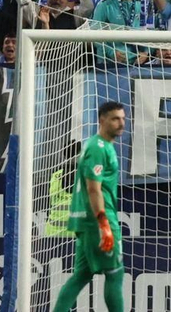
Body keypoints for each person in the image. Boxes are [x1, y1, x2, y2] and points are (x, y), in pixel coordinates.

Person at [50, 101, 128, 312]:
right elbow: (93, 188)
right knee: (115, 273)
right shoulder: (97, 147)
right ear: (102, 121)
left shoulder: (100, 145)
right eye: (115, 119)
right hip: (97, 220)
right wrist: (104, 224)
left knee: (81, 275)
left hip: (86, 221)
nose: (121, 123)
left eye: (122, 118)